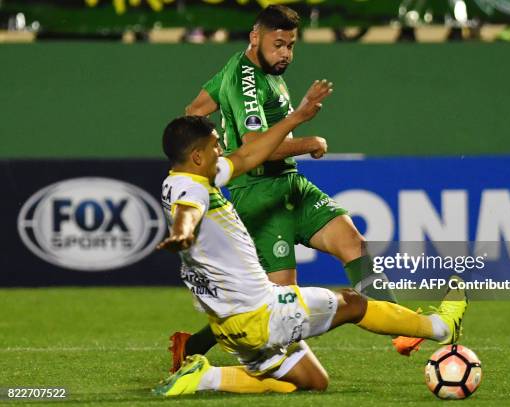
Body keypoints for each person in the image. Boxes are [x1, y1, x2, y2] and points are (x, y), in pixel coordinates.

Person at [172, 5, 422, 369]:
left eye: (291, 45)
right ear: (255, 38)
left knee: (352, 241)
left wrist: (216, 145)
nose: (286, 53)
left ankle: (402, 326)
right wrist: (305, 142)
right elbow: (256, 143)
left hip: (289, 183)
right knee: (279, 299)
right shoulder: (245, 80)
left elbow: (194, 109)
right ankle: (194, 344)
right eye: (278, 44)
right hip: (258, 193)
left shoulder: (248, 68)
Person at [152, 110, 468, 396]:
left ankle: (205, 378)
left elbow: (248, 155)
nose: (220, 152)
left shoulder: (182, 179)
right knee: (354, 303)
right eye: (215, 147)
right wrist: (182, 233)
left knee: (314, 381)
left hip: (230, 324)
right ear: (196, 156)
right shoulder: (191, 191)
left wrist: (296, 118)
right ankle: (440, 328)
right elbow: (187, 212)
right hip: (262, 315)